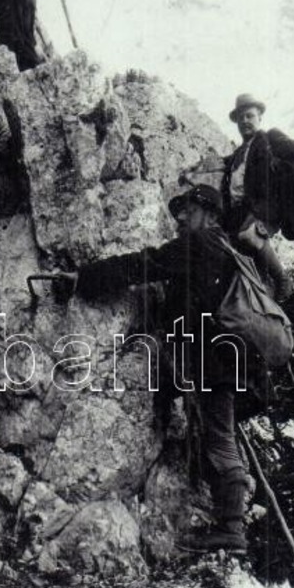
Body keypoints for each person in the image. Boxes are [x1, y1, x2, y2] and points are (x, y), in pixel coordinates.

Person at [75, 184, 251, 553]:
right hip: (221, 356)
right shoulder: (227, 249)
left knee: (220, 437)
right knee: (215, 432)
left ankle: (232, 529)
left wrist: (85, 278)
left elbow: (145, 263)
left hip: (211, 358)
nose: (181, 218)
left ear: (210, 215)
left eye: (189, 210)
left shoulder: (201, 244)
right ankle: (226, 522)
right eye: (179, 211)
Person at [223, 94, 294, 302]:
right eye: (241, 118)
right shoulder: (237, 154)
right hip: (239, 212)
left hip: (265, 208)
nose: (245, 121)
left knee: (248, 234)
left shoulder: (269, 139)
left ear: (259, 117)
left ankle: (282, 279)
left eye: (249, 116)